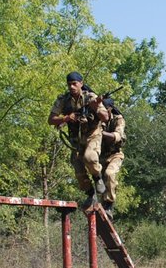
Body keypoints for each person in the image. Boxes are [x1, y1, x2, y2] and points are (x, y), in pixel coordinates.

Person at [49, 71, 110, 205]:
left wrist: (96, 107)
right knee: (78, 168)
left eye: (74, 84)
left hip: (92, 134)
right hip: (76, 138)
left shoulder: (91, 97)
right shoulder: (63, 100)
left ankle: (97, 177)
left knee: (90, 157)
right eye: (69, 84)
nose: (71, 87)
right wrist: (66, 118)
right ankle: (90, 193)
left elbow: (105, 117)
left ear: (81, 84)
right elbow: (51, 120)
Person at [98, 95, 125, 216]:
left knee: (109, 174)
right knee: (100, 182)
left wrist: (101, 133)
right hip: (101, 156)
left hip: (115, 155)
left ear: (109, 109)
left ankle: (109, 205)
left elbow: (118, 136)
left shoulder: (118, 119)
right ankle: (101, 207)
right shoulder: (97, 118)